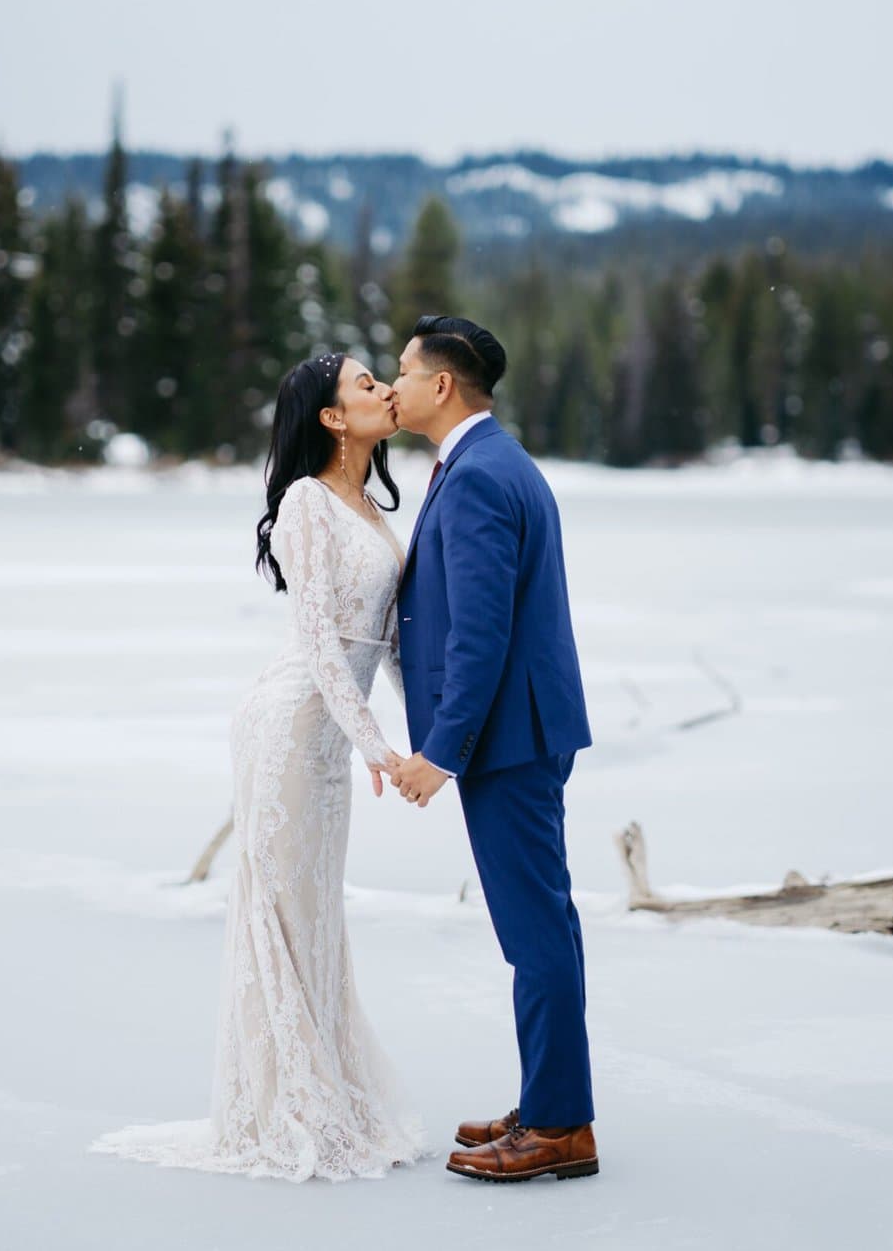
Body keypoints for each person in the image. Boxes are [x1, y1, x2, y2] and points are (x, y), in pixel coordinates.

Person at [90, 351, 425, 1182]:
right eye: (364, 384)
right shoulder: (308, 503)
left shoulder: (373, 508)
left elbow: (381, 646)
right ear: (332, 419)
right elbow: (317, 641)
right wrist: (375, 743)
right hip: (288, 729)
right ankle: (280, 1107)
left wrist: (432, 737)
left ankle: (327, 1089)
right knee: (276, 912)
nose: (385, 388)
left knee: (318, 914)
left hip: (332, 739)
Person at [386, 314, 599, 1184]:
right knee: (541, 924)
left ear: (442, 385)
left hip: (509, 738)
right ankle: (549, 1100)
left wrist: (443, 750)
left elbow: (482, 633)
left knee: (535, 930)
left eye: (402, 370)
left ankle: (558, 1126)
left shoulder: (478, 476)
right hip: (520, 731)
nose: (392, 384)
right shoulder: (485, 461)